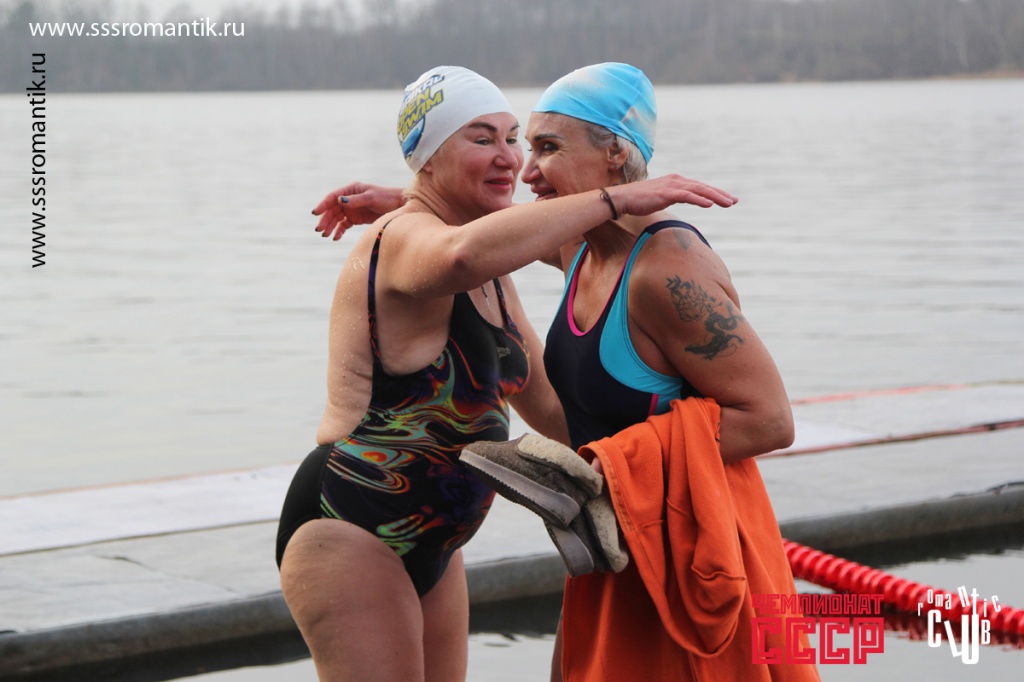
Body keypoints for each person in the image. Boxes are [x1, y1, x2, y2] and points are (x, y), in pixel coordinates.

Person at [323, 62, 817, 682]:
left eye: (547, 149)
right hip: (617, 542)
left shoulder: (667, 270)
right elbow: (492, 235)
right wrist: (407, 203)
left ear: (616, 155)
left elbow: (770, 421)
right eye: (526, 148)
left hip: (700, 550)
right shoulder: (583, 245)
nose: (526, 171)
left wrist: (610, 466)